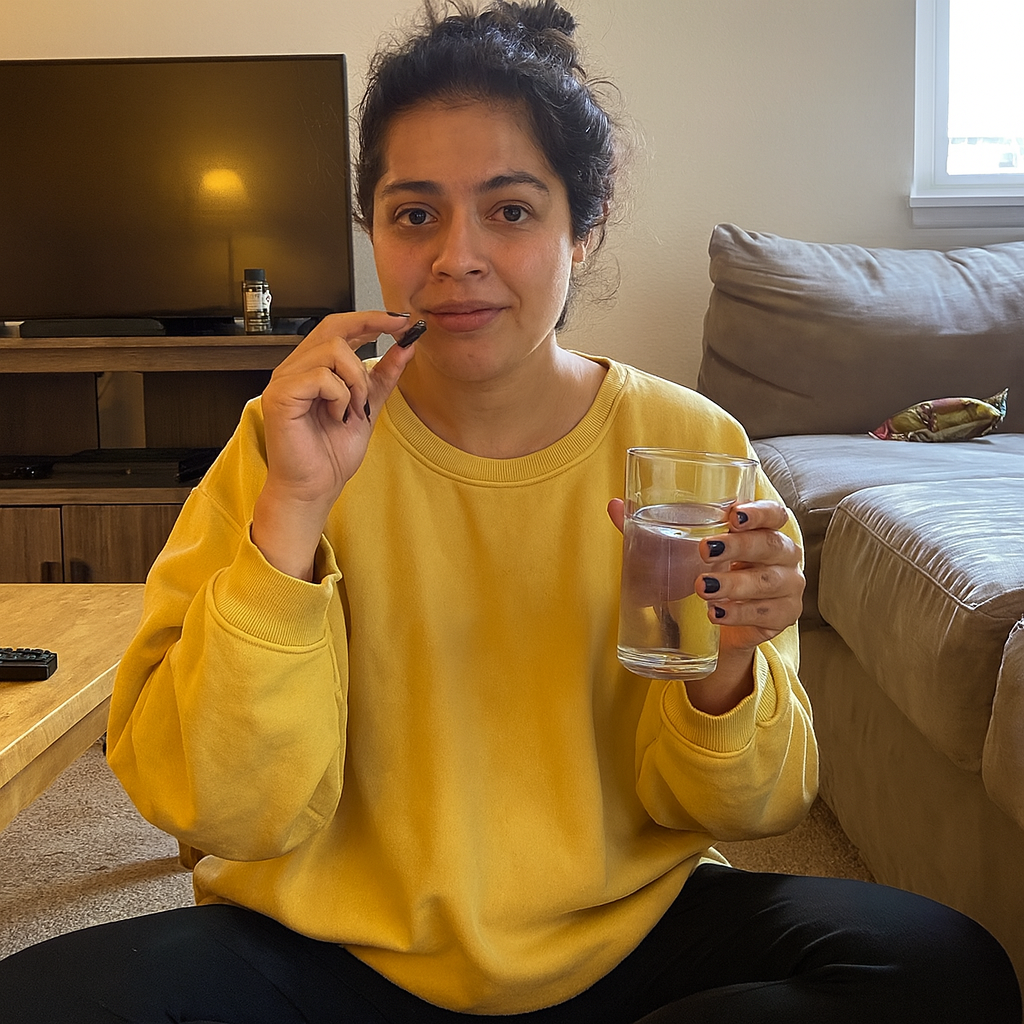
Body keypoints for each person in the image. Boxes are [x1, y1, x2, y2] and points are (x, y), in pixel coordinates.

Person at [1, 2, 1019, 1021]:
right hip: (325, 952)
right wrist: (294, 515)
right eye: (414, 214)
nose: (457, 257)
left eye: (513, 210)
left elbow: (753, 807)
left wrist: (725, 673)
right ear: (373, 230)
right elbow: (218, 807)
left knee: (938, 967)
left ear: (584, 229)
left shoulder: (690, 447)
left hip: (626, 936)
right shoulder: (285, 441)